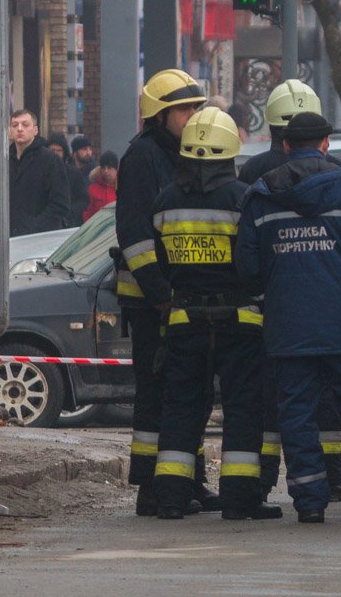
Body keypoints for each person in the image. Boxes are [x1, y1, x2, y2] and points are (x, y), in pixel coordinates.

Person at [236, 111, 341, 524]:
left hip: (288, 326)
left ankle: (309, 503)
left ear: (284, 145)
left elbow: (246, 267)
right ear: (327, 142)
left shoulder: (261, 196)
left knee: (296, 414)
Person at [150, 108, 281, 521]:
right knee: (243, 408)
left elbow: (163, 263)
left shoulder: (165, 200)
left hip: (184, 319)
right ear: (231, 151)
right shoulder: (244, 198)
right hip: (240, 319)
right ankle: (240, 501)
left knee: (181, 407)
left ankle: (170, 499)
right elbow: (256, 262)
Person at [238, 79, 341, 503]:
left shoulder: (251, 173)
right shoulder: (336, 171)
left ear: (272, 127)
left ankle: (264, 480)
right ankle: (330, 477)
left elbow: (246, 249)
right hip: (326, 305)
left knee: (274, 401)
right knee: (326, 400)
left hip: (271, 306)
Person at [115, 69, 215, 517]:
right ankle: (152, 488)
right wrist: (159, 293)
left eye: (197, 107)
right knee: (157, 392)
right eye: (185, 108)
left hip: (183, 297)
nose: (194, 115)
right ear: (160, 115)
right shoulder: (143, 158)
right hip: (152, 299)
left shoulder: (185, 153)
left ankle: (187, 479)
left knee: (190, 390)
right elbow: (136, 236)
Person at [8, 109, 70, 236]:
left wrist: (33, 226)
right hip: (7, 238)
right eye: (15, 125)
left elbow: (60, 204)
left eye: (25, 125)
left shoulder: (50, 160)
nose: (19, 129)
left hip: (40, 239)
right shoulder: (3, 160)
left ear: (35, 130)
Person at [46, 132, 89, 227]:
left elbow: (83, 200)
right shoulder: (41, 172)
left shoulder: (73, 173)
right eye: (52, 150)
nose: (55, 154)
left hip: (68, 224)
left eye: (59, 151)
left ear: (64, 152)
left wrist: (70, 212)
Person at [83, 150, 118, 222]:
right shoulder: (93, 188)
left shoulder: (125, 188)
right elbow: (88, 212)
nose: (106, 171)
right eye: (103, 168)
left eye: (109, 167)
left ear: (116, 169)